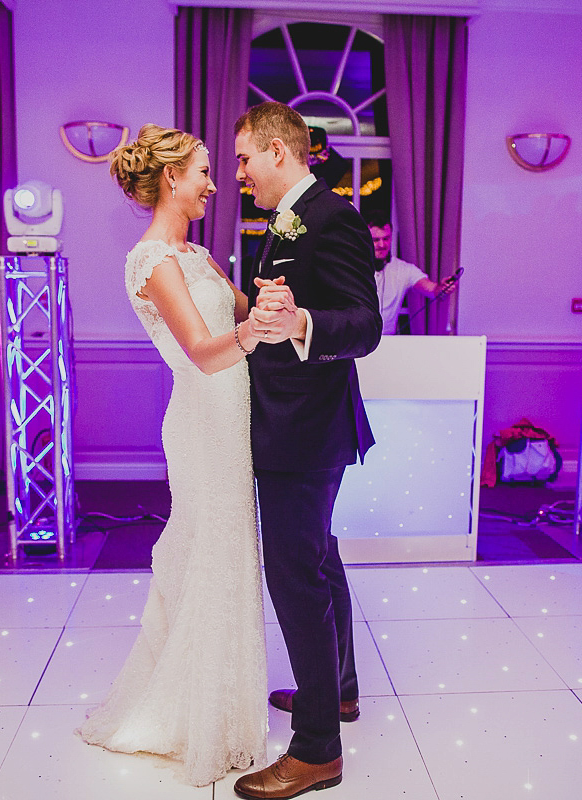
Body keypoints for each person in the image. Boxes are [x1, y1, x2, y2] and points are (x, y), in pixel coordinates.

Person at [76, 123, 286, 787]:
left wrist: (266, 302)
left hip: (232, 413)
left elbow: (239, 316)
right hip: (201, 420)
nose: (213, 184)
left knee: (229, 556)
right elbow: (201, 349)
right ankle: (197, 717)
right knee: (211, 556)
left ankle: (224, 704)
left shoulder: (196, 256)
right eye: (201, 172)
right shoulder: (153, 261)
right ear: (171, 177)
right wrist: (252, 328)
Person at [232, 102, 382, 799]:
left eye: (243, 159)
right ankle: (339, 692)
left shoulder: (332, 216)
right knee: (318, 559)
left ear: (277, 152)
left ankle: (318, 748)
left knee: (296, 576)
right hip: (295, 423)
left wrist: (299, 322)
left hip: (305, 428)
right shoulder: (289, 218)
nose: (238, 173)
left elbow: (365, 324)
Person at [365, 209, 458, 334]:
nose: (382, 245)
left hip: (388, 342)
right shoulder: (353, 267)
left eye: (386, 238)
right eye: (376, 240)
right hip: (355, 343)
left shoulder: (403, 269)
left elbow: (432, 289)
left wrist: (442, 287)